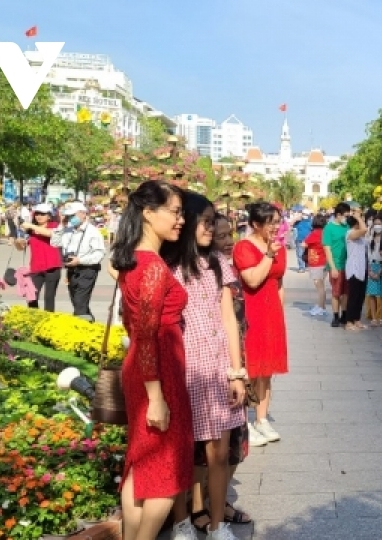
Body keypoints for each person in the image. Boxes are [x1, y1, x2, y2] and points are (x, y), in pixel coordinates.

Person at [110, 180, 194, 540]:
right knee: (166, 470)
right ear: (148, 213)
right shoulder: (154, 268)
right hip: (156, 373)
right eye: (175, 212)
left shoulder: (133, 262)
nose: (180, 221)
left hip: (146, 370)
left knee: (140, 462)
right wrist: (157, 398)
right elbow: (146, 335)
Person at [161, 193, 247, 540]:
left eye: (215, 222)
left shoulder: (217, 264)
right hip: (184, 369)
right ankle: (182, 522)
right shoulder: (167, 266)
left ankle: (216, 525)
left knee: (220, 453)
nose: (212, 228)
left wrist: (237, 371)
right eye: (206, 221)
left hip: (217, 367)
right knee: (183, 451)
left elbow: (229, 319)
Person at [234, 202, 288, 446]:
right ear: (256, 224)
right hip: (251, 311)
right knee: (252, 367)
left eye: (278, 221)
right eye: (271, 222)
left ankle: (262, 419)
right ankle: (244, 421)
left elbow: (279, 282)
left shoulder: (279, 247)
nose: (276, 227)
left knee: (267, 369)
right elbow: (253, 280)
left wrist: (279, 312)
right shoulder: (243, 248)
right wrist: (269, 255)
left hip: (271, 313)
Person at [50, 202, 106, 321]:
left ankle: (80, 331)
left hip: (87, 270)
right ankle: (91, 324)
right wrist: (61, 225)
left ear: (83, 214)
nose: (70, 218)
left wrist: (80, 260)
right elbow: (54, 243)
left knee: (80, 303)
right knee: (77, 302)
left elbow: (100, 253)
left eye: (72, 215)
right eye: (68, 216)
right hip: (71, 269)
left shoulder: (92, 232)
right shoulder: (68, 230)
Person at [20, 204, 64, 312]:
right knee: (31, 296)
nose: (39, 216)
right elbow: (21, 246)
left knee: (49, 297)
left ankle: (48, 321)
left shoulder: (55, 226)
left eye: (43, 214)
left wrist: (32, 226)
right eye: (37, 214)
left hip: (52, 267)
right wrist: (19, 242)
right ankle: (34, 318)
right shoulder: (31, 231)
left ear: (49, 216)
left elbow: (50, 234)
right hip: (36, 267)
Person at [323, 203, 351, 328]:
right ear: (338, 215)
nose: (347, 218)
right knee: (336, 292)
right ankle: (335, 316)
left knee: (346, 292)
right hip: (336, 265)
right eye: (345, 216)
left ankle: (344, 315)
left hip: (348, 265)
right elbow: (327, 249)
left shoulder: (347, 226)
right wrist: (332, 267)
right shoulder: (328, 228)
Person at [343, 211, 369, 331]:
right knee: (353, 296)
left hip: (362, 269)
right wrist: (358, 217)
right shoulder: (350, 233)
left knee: (360, 296)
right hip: (353, 269)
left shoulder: (362, 237)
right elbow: (364, 230)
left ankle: (356, 319)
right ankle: (349, 321)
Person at [366, 215, 382, 326]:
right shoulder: (370, 238)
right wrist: (370, 271)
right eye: (375, 223)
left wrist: (380, 271)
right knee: (372, 294)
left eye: (379, 223)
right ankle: (374, 317)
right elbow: (368, 256)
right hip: (372, 266)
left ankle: (381, 316)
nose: (377, 226)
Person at [303, 214, 329, 317]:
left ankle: (321, 308)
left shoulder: (315, 233)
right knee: (321, 286)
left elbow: (303, 244)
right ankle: (321, 306)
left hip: (316, 263)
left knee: (319, 287)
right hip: (324, 262)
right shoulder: (325, 233)